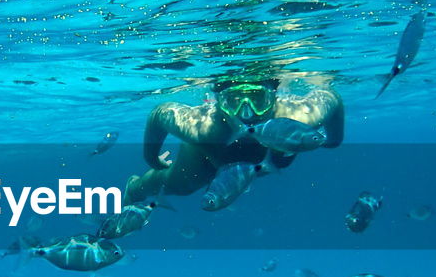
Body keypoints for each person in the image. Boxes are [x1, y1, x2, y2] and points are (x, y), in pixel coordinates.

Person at [125, 76, 344, 202]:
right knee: (179, 187)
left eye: (259, 100)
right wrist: (152, 159)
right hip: (204, 159)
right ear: (218, 103)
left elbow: (332, 98)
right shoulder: (204, 129)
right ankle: (134, 187)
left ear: (274, 98)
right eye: (233, 101)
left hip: (262, 163)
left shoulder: (300, 116)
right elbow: (159, 114)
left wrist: (333, 140)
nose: (246, 113)